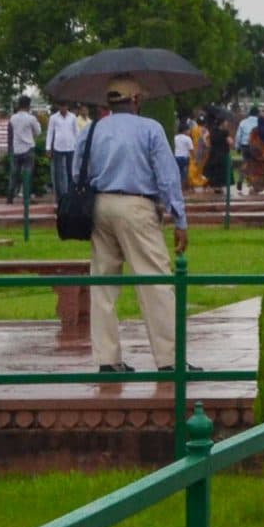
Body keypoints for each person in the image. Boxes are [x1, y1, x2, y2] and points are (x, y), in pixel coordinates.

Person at [84, 75, 192, 377]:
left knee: (103, 284)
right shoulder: (149, 129)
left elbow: (76, 171)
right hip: (136, 205)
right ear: (135, 100)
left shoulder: (92, 131)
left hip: (100, 205)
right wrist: (179, 218)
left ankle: (107, 359)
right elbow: (168, 177)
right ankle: (170, 359)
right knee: (155, 282)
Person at [4, 96, 42, 204]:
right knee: (27, 174)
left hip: (16, 149)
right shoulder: (31, 118)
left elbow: (10, 133)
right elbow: (38, 132)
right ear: (28, 105)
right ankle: (26, 198)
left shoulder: (13, 118)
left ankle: (10, 197)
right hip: (28, 148)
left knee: (14, 174)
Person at [44, 102, 82, 200]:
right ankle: (59, 196)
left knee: (71, 171)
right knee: (58, 173)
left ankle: (71, 194)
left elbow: (76, 131)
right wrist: (48, 147)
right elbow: (50, 132)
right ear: (58, 106)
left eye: (64, 106)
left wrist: (78, 146)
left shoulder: (73, 117)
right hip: (58, 147)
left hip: (71, 146)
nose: (63, 108)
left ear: (67, 106)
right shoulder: (54, 118)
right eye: (61, 106)